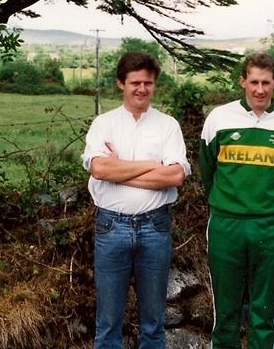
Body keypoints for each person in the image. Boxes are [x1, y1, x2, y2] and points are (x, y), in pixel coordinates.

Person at [82, 51, 191, 349]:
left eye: (148, 83)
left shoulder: (167, 125)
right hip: (111, 227)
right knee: (108, 320)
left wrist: (121, 171)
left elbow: (175, 177)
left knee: (154, 322)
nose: (142, 89)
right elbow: (100, 168)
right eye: (135, 83)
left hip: (154, 227)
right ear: (121, 84)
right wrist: (152, 165)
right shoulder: (103, 124)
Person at [199, 52, 274, 349]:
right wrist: (228, 202)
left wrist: (267, 201)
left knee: (263, 313)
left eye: (266, 83)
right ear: (242, 81)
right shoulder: (219, 118)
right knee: (226, 312)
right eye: (254, 82)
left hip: (270, 225)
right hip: (225, 224)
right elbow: (207, 170)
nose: (260, 89)